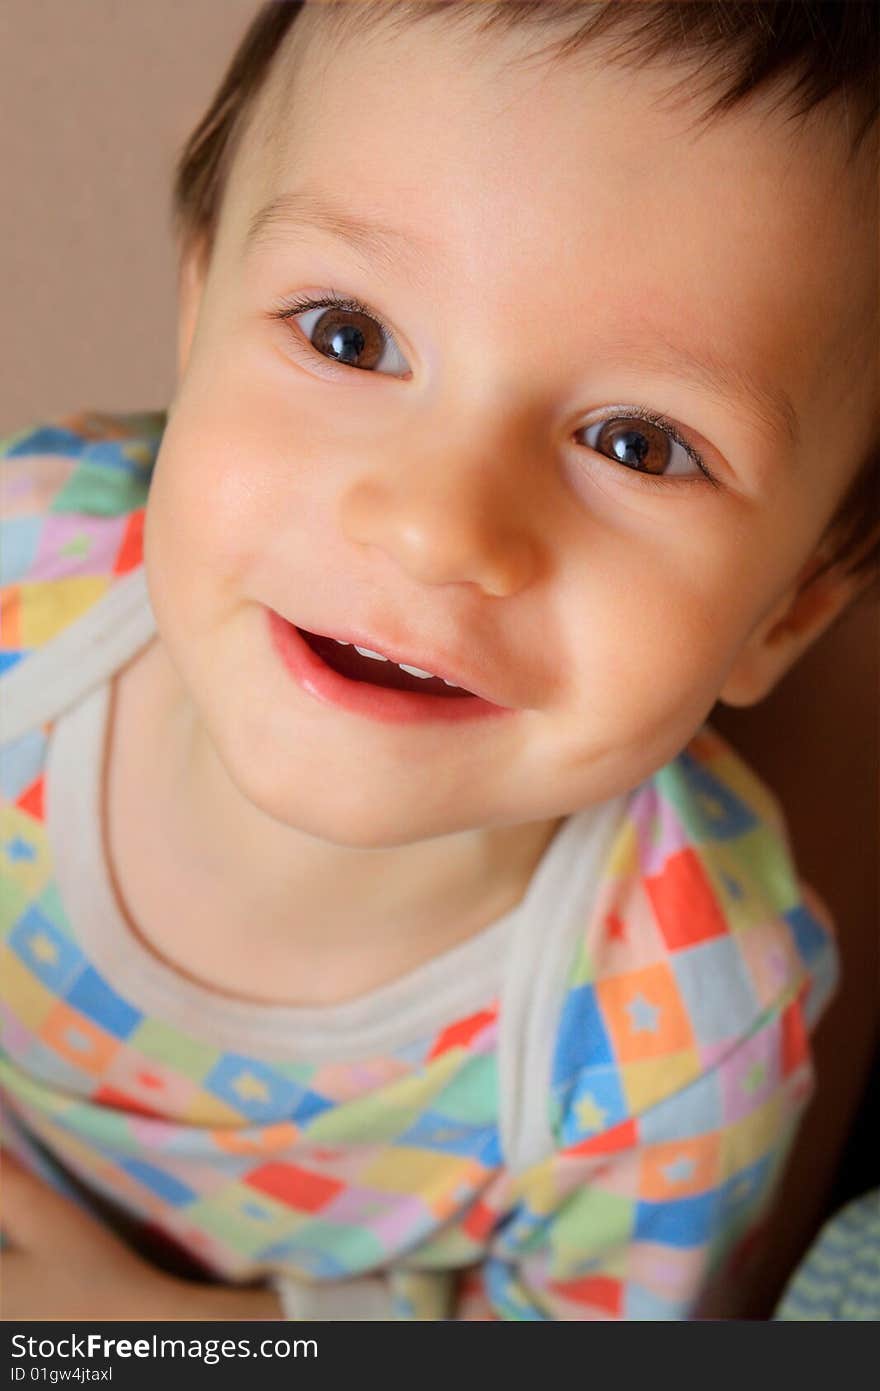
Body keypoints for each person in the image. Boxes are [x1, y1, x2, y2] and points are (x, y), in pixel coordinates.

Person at [1, 0, 877, 1322]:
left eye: (639, 444)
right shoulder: (27, 573)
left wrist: (164, 1336)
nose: (436, 524)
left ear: (789, 614)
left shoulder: (675, 1037)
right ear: (197, 306)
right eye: (346, 333)